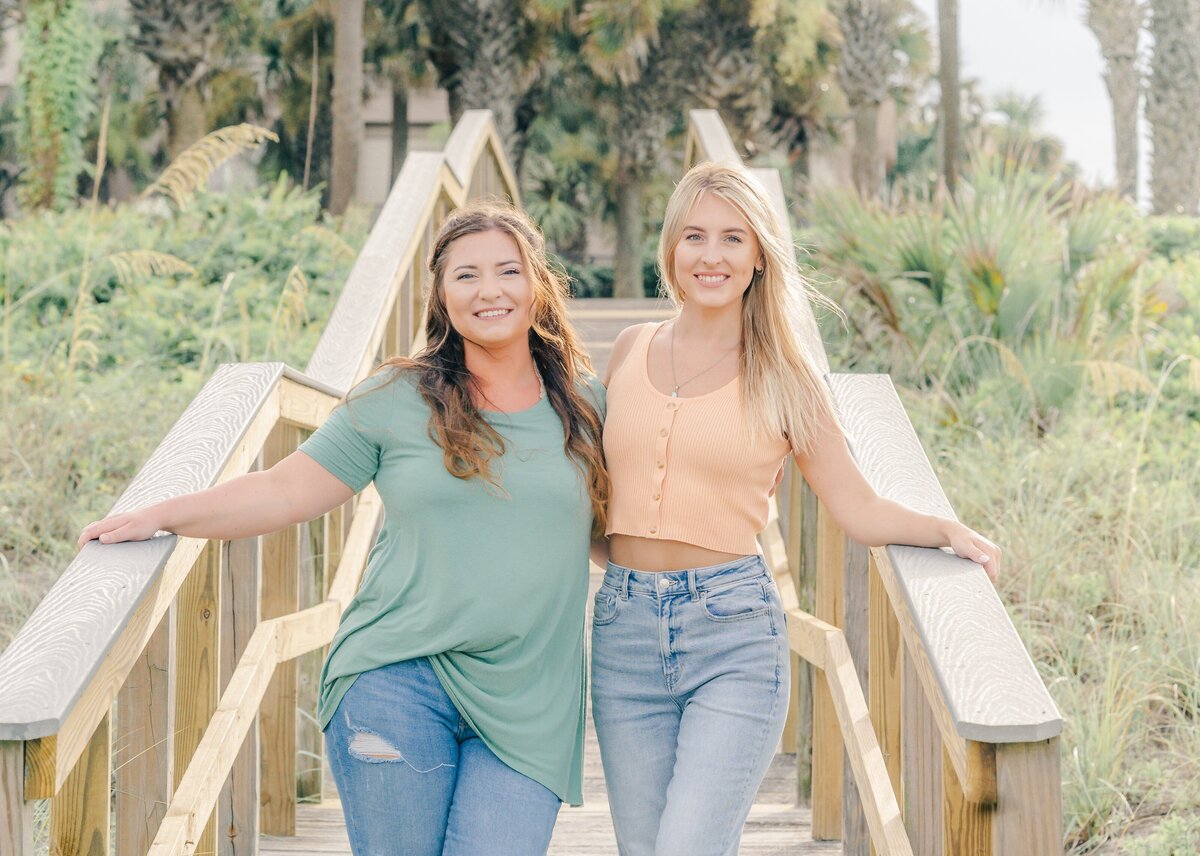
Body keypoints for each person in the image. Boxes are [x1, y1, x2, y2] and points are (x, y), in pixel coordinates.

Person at [77, 202, 609, 856]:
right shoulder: (398, 398)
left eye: (508, 270)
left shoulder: (586, 407)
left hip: (531, 699)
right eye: (466, 275)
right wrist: (163, 513)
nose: (489, 290)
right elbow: (284, 489)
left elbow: (625, 531)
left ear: (539, 285)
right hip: (396, 681)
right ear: (441, 295)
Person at [592, 161, 1000, 856]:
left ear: (759, 258)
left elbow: (859, 507)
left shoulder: (784, 375)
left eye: (732, 238)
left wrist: (944, 530)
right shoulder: (630, 349)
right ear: (670, 249)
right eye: (694, 236)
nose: (711, 255)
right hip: (623, 630)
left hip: (732, 635)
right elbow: (596, 494)